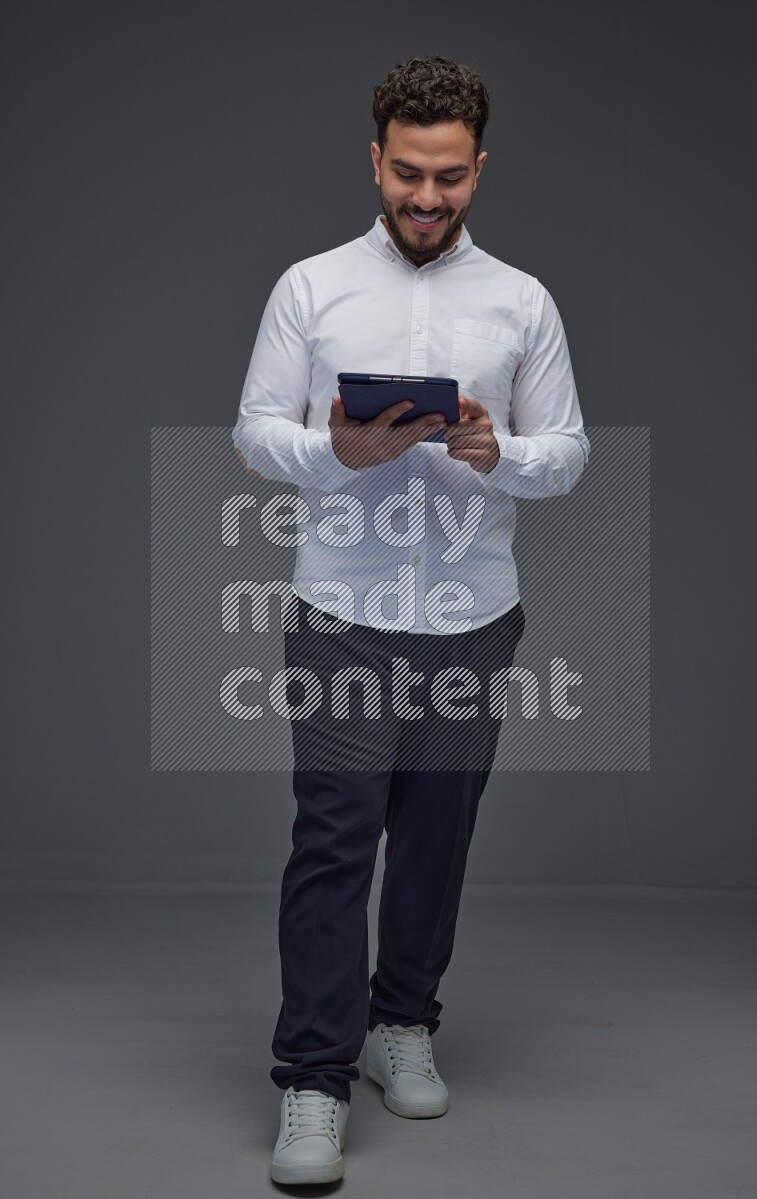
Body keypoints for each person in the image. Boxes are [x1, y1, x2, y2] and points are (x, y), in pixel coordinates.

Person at [232, 54, 589, 1186]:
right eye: (404, 173)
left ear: (478, 168)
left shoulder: (521, 301)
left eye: (446, 177)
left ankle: (403, 1021)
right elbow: (251, 431)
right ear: (374, 160)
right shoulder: (310, 286)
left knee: (434, 840)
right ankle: (311, 1079)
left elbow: (567, 454)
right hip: (341, 608)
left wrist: (502, 451)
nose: (424, 198)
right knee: (333, 839)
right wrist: (332, 451)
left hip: (473, 617)